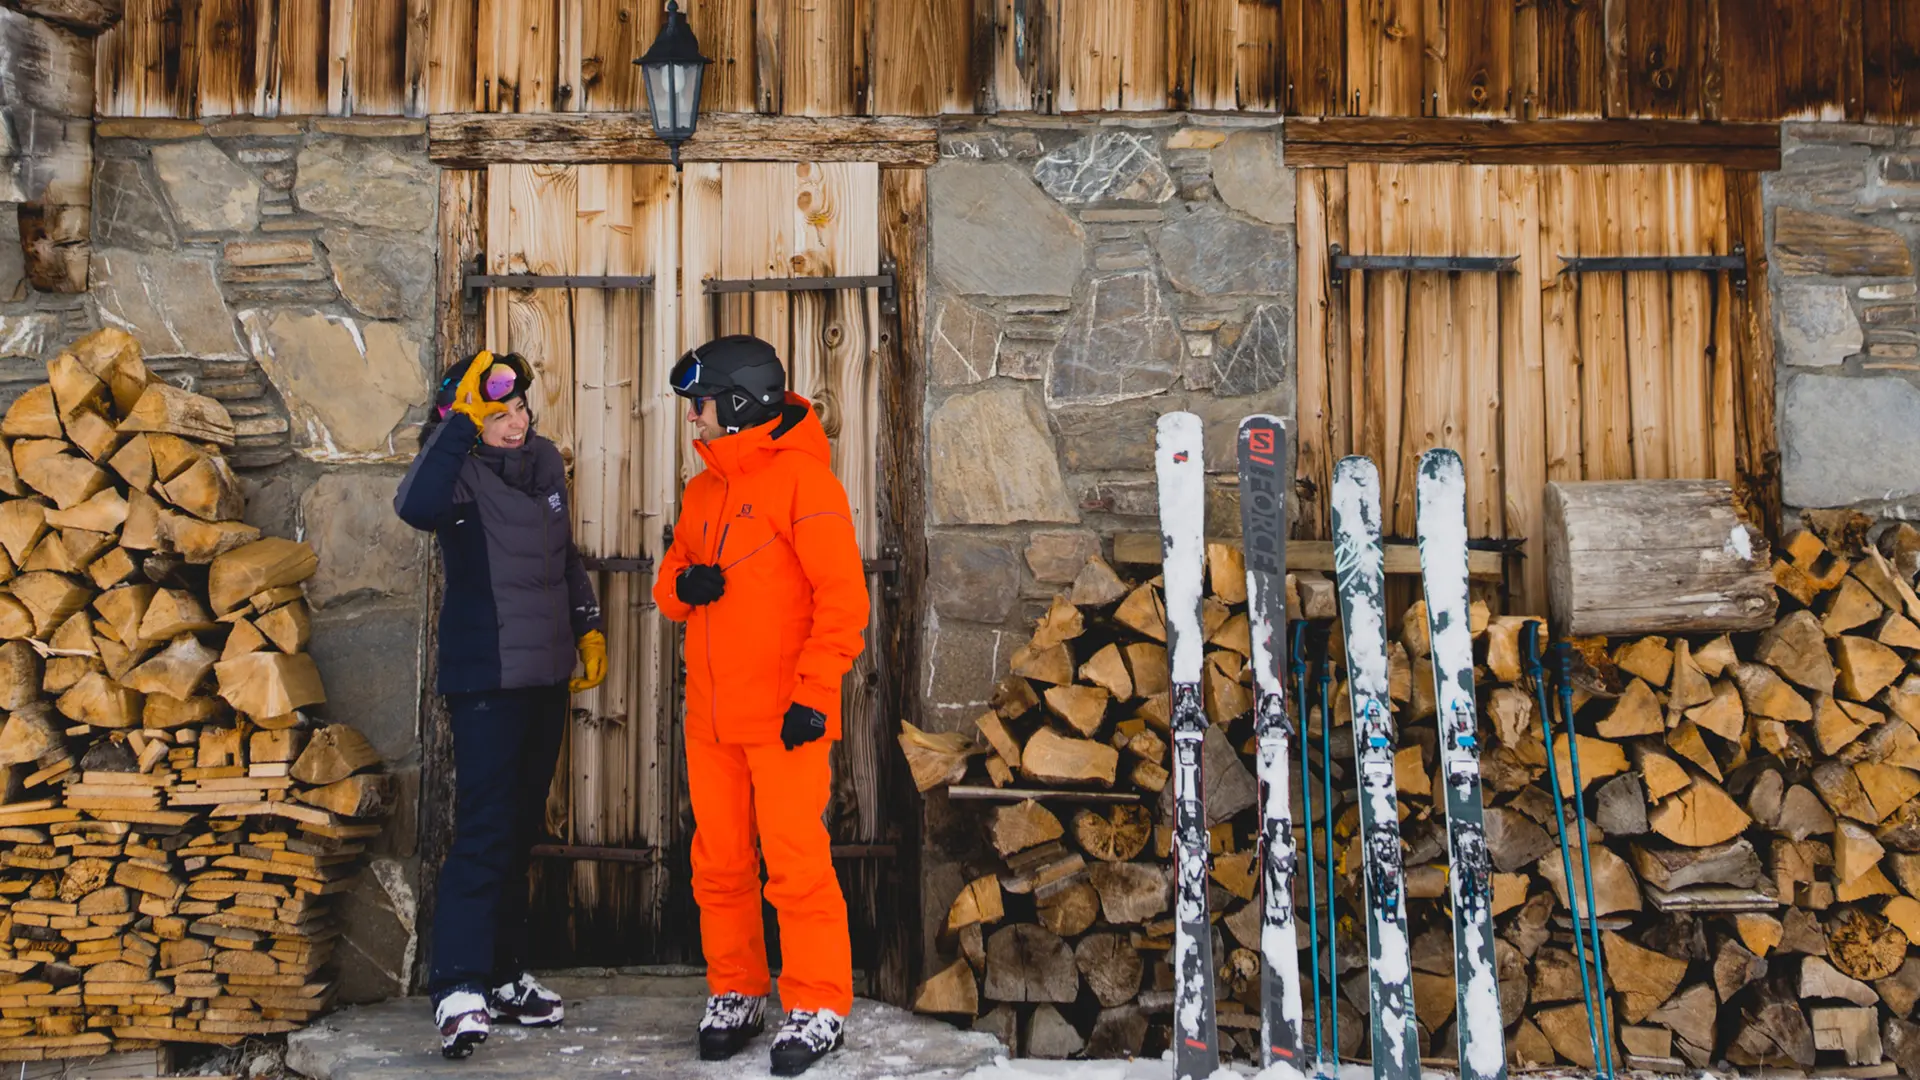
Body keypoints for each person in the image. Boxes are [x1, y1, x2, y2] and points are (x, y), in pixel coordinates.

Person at [653, 335, 870, 1076]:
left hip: (785, 719)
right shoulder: (702, 491)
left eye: (702, 403)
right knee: (718, 864)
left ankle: (818, 1003)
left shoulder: (807, 485)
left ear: (742, 404)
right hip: (711, 719)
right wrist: (683, 588)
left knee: (795, 866)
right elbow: (669, 582)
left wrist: (815, 695)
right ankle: (737, 990)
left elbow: (843, 602)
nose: (694, 416)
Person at [394, 351, 608, 1060]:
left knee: (520, 831)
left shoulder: (544, 462)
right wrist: (459, 423)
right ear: (468, 419)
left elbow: (564, 557)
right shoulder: (456, 472)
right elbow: (413, 506)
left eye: (519, 409)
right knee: (484, 830)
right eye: (498, 415)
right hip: (486, 676)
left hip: (544, 673)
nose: (516, 424)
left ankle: (506, 973)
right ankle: (457, 984)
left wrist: (587, 625)